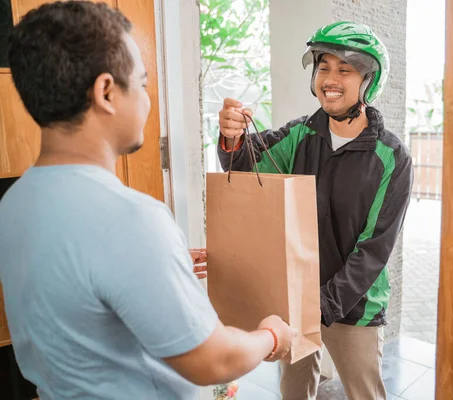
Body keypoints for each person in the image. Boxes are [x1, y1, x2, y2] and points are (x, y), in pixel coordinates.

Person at [0, 2, 295, 399]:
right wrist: (272, 335)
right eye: (141, 83)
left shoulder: (14, 203)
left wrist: (155, 266)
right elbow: (214, 361)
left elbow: (76, 296)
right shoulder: (131, 220)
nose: (147, 99)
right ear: (106, 92)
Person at [218, 21, 414, 400]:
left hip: (354, 306)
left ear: (368, 82)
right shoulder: (300, 135)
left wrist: (320, 305)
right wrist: (231, 138)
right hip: (295, 295)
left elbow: (373, 250)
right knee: (293, 393)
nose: (331, 78)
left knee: (364, 394)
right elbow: (243, 169)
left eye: (345, 69)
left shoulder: (391, 157)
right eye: (324, 67)